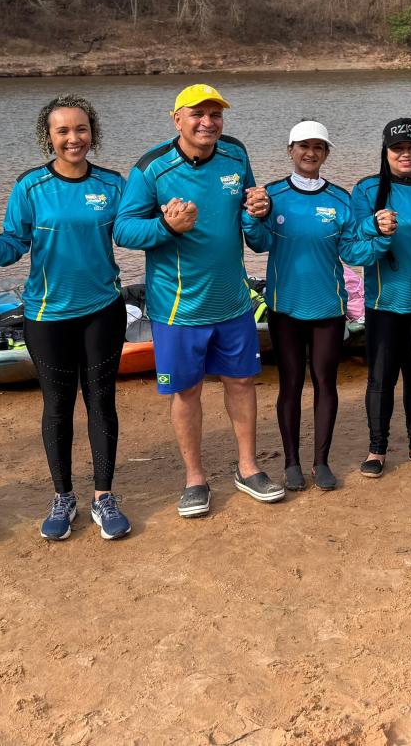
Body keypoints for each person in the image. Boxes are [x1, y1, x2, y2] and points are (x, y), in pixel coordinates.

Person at [112, 83, 281, 517]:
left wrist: (256, 211)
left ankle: (247, 467)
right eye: (197, 114)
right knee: (186, 392)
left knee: (242, 383)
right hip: (178, 307)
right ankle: (195, 479)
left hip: (234, 301)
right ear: (177, 120)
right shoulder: (152, 169)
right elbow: (124, 230)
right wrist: (168, 229)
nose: (208, 122)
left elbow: (248, 221)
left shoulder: (236, 155)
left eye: (215, 114)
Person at [0, 96, 131, 540]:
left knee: (101, 402)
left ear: (92, 133)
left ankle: (103, 497)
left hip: (103, 310)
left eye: (81, 129)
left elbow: (137, 229)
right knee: (57, 406)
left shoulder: (114, 186)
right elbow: (13, 244)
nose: (73, 138)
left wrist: (174, 223)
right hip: (47, 314)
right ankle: (63, 497)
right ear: (49, 137)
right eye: (63, 131)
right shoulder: (31, 187)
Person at [246, 121, 378, 492]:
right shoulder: (271, 195)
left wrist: (380, 240)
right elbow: (257, 243)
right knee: (289, 384)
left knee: (325, 383)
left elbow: (351, 250)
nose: (310, 153)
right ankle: (291, 462)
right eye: (303, 146)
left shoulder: (340, 199)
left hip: (328, 308)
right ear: (290, 150)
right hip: (284, 306)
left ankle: (321, 462)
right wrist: (251, 215)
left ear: (326, 153)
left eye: (318, 147)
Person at [349, 118, 411, 477]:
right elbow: (352, 250)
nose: (405, 155)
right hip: (384, 302)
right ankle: (377, 449)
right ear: (386, 153)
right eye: (397, 149)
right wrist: (374, 228)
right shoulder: (366, 191)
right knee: (381, 377)